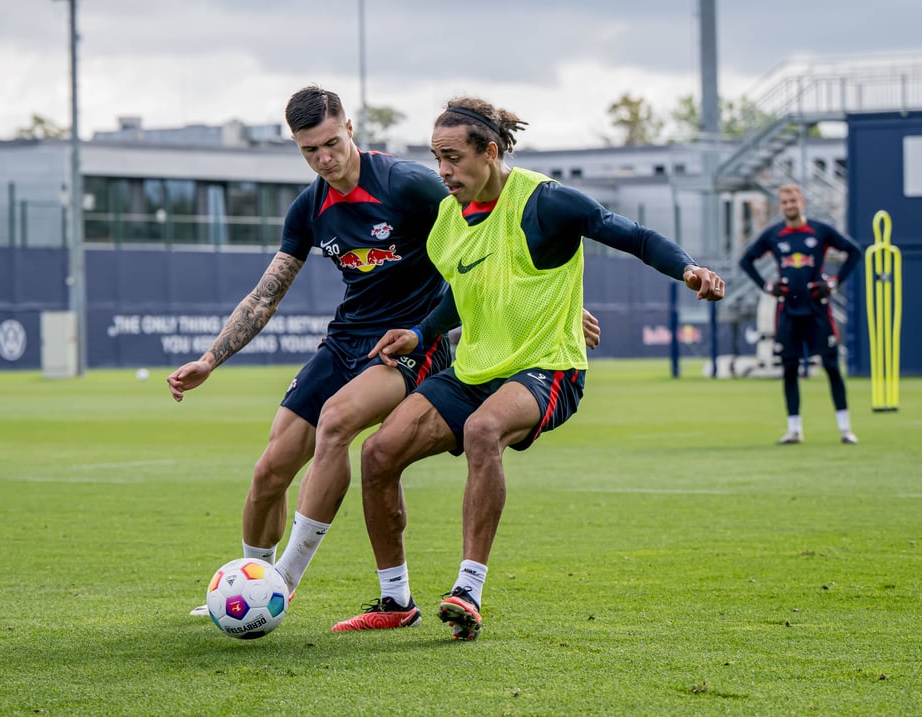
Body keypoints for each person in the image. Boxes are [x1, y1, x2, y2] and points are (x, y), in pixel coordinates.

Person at [167, 86, 603, 620]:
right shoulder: (309, 208)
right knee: (269, 472)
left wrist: (550, 305)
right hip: (345, 339)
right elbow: (266, 293)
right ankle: (249, 583)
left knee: (336, 422)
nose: (324, 159)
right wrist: (211, 359)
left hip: (410, 341)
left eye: (331, 143)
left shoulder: (409, 183)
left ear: (350, 128)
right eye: (309, 151)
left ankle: (282, 584)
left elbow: (494, 233)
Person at [329, 97, 725, 640]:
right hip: (475, 370)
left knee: (482, 431)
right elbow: (461, 290)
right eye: (435, 157)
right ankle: (395, 599)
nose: (442, 171)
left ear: (489, 152)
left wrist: (688, 269)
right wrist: (422, 333)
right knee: (377, 454)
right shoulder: (448, 219)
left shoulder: (545, 202)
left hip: (549, 367)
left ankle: (467, 590)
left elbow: (632, 235)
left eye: (451, 157)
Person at [739, 183, 863, 445]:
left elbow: (854, 251)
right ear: (781, 206)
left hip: (818, 310)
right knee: (789, 369)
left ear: (802, 202)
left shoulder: (819, 231)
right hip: (788, 311)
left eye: (793, 201)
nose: (789, 206)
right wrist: (766, 286)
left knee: (831, 366)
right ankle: (794, 429)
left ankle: (845, 429)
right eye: (784, 202)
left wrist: (834, 282)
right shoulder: (774, 235)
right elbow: (746, 260)